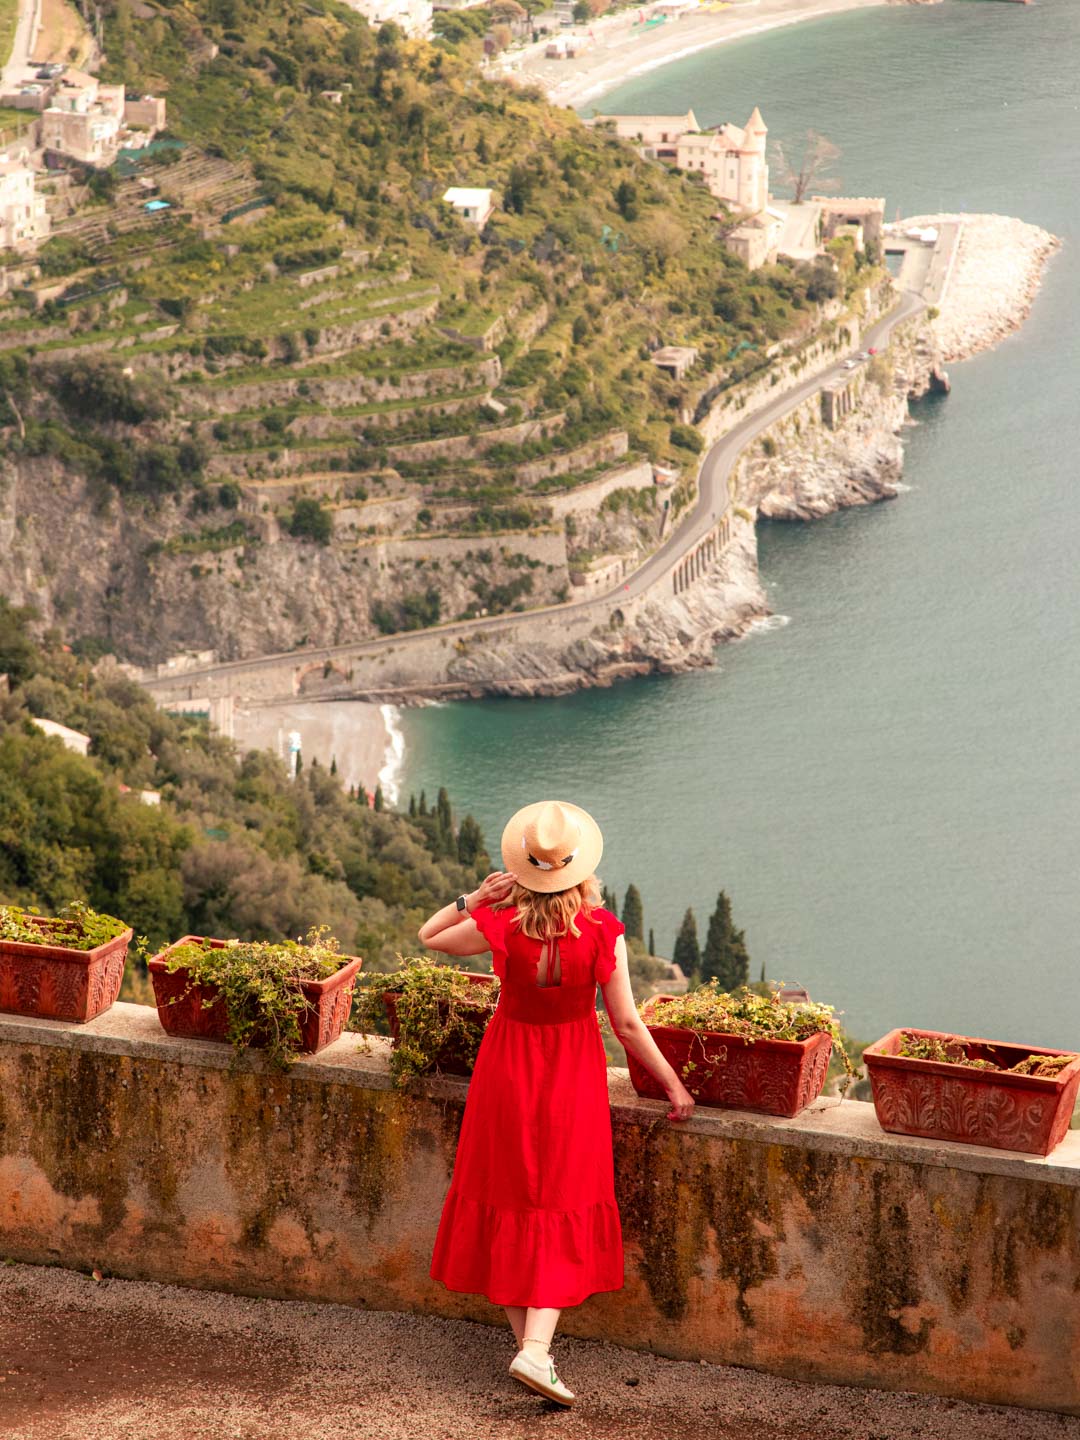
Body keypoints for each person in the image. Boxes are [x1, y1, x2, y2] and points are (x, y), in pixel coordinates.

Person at [418, 799, 696, 1408]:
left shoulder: (503, 926)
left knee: (512, 1194)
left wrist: (476, 896)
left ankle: (532, 1352)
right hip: (572, 1074)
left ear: (523, 869)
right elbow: (625, 1023)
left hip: (506, 1069)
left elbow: (430, 935)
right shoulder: (602, 933)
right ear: (582, 870)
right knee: (562, 1197)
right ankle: (535, 1353)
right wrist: (673, 1083)